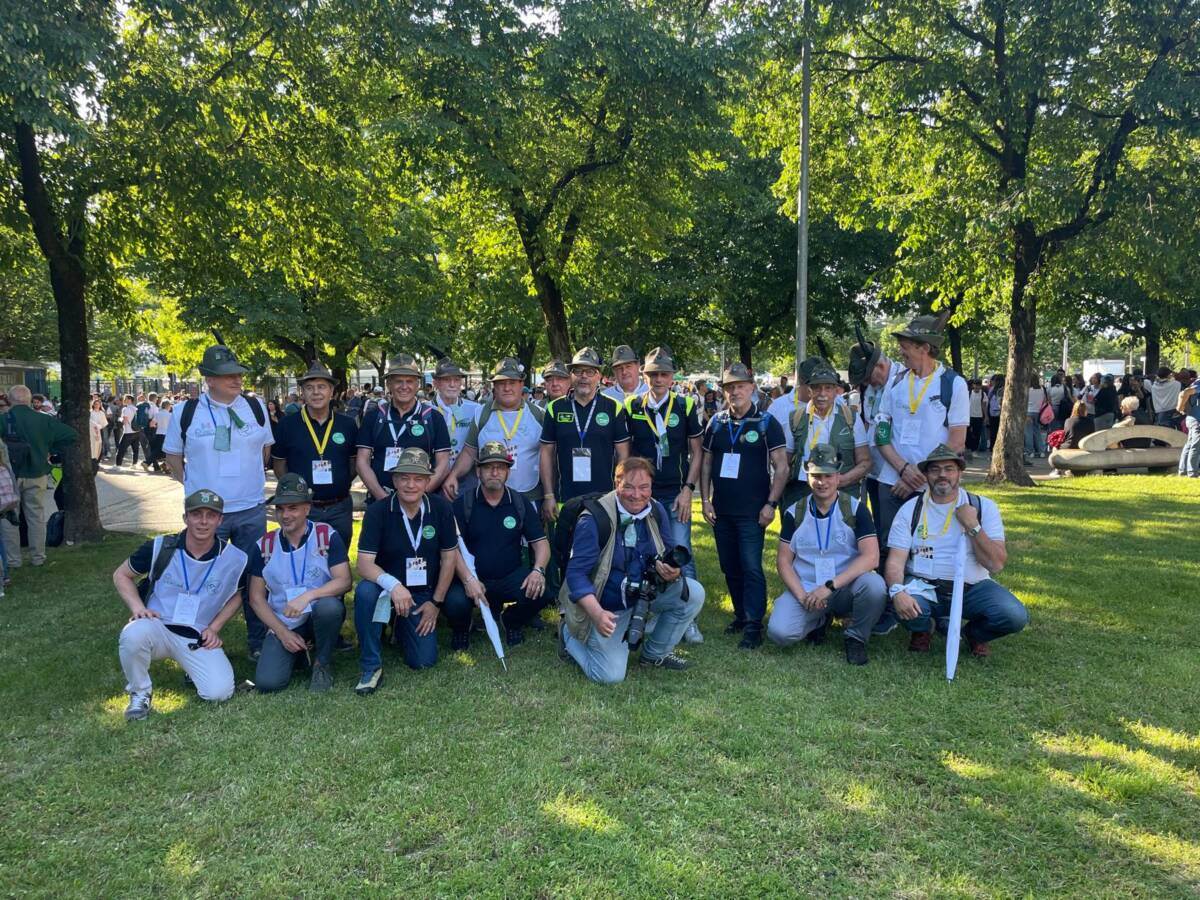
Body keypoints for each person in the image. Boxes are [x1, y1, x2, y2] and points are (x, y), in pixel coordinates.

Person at [162, 344, 275, 658]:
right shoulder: (185, 412)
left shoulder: (255, 407)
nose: (236, 379)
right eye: (228, 375)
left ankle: (258, 642)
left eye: (238, 373)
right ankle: (193, 642)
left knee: (255, 576)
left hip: (251, 509)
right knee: (200, 579)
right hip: (207, 516)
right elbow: (173, 456)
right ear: (208, 379)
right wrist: (192, 487)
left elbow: (265, 450)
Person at [559, 457, 705, 683]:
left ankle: (654, 655)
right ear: (616, 484)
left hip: (642, 596)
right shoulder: (594, 519)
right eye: (628, 487)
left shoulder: (656, 510)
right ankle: (568, 636)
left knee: (693, 593)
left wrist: (672, 572)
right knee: (609, 676)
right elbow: (575, 574)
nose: (637, 495)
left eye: (644, 487)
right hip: (605, 607)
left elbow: (667, 550)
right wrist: (597, 614)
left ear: (651, 487)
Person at [112, 489, 249, 719]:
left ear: (220, 520)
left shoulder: (236, 559)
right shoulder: (160, 546)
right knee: (132, 635)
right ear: (185, 518)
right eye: (196, 514)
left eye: (210, 515)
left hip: (196, 636)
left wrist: (215, 628)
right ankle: (139, 693)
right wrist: (138, 608)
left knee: (219, 692)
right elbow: (121, 575)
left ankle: (191, 669)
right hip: (157, 625)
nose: (203, 522)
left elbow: (241, 593)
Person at [885, 444, 1028, 659]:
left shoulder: (983, 506)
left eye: (949, 468)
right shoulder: (911, 509)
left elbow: (996, 564)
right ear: (925, 475)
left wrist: (973, 526)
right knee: (901, 604)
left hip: (973, 588)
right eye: (934, 469)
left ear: (960, 473)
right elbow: (895, 563)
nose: (942, 475)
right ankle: (924, 628)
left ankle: (974, 633)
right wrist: (897, 591)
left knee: (1014, 615)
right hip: (924, 585)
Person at [352, 448, 465, 694]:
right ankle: (371, 665)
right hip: (387, 590)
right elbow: (364, 564)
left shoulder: (441, 509)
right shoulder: (377, 511)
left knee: (423, 661)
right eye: (404, 477)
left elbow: (449, 558)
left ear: (427, 481)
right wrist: (394, 586)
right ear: (394, 480)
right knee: (365, 592)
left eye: (417, 478)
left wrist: (436, 603)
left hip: (423, 593)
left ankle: (401, 627)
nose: (410, 484)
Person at [766, 444, 886, 665]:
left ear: (838, 476)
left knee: (874, 585)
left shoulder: (855, 509)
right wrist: (803, 597)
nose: (822, 482)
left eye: (828, 476)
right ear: (807, 476)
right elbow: (783, 562)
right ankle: (819, 619)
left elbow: (871, 557)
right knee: (779, 633)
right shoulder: (795, 512)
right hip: (808, 588)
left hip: (843, 587)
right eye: (816, 476)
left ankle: (856, 637)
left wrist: (829, 587)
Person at [700, 362, 788, 649]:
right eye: (729, 387)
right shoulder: (716, 423)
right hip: (721, 510)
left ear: (752, 388)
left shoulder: (766, 423)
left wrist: (771, 504)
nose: (735, 391)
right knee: (729, 565)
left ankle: (753, 624)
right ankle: (740, 615)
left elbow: (782, 467)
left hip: (753, 512)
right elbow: (706, 463)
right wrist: (705, 500)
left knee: (750, 566)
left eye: (740, 386)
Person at [623, 347, 704, 642]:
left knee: (680, 550)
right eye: (653, 374)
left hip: (675, 494)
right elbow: (627, 453)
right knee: (645, 551)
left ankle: (689, 616)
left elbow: (697, 453)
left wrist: (689, 490)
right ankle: (653, 608)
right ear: (644, 375)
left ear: (672, 377)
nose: (658, 379)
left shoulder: (684, 405)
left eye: (664, 374)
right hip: (642, 496)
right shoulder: (632, 406)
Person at [246, 474, 351, 693]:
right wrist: (282, 632)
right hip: (285, 621)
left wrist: (308, 596)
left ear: (307, 508)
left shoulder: (325, 536)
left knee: (329, 607)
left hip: (318, 614)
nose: (285, 515)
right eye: (280, 509)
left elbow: (344, 581)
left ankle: (322, 664)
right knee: (268, 683)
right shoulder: (264, 546)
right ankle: (300, 655)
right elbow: (256, 598)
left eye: (293, 508)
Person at [874, 314, 969, 553]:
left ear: (925, 348)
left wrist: (920, 476)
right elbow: (881, 433)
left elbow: (956, 442)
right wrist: (904, 470)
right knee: (889, 547)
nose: (901, 353)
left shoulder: (953, 383)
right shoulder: (895, 383)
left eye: (906, 347)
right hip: (891, 483)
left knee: (927, 549)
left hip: (932, 485)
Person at [452, 440, 549, 647]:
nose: (494, 472)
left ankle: (511, 620)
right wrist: (468, 579)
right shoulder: (463, 504)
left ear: (508, 472)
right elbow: (451, 550)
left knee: (542, 593)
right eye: (488, 467)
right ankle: (462, 626)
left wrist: (538, 570)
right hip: (473, 577)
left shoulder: (520, 502)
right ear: (478, 471)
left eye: (500, 467)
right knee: (455, 602)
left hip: (509, 576)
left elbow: (540, 543)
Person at [271, 361, 359, 547]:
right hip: (304, 509)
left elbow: (353, 464)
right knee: (303, 562)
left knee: (339, 562)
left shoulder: (347, 425)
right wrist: (296, 493)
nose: (316, 392)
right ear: (302, 392)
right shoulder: (287, 425)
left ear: (332, 392)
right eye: (309, 388)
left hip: (339, 507)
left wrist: (338, 483)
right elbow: (280, 466)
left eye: (322, 387)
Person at [540, 347, 631, 520]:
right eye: (578, 371)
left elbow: (623, 455)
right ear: (571, 375)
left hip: (605, 497)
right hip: (564, 497)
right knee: (565, 546)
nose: (584, 376)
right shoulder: (555, 408)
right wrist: (549, 495)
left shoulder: (614, 407)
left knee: (602, 546)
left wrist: (621, 491)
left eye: (590, 371)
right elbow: (546, 453)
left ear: (599, 376)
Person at [445, 358, 545, 508]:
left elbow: (550, 456)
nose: (507, 388)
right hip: (489, 498)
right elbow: (469, 453)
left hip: (529, 497)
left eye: (512, 382)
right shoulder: (481, 413)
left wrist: (549, 495)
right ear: (494, 387)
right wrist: (453, 475)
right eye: (501, 383)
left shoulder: (539, 415)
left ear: (521, 385)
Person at [356, 353, 452, 505]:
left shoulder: (433, 417)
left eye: (409, 381)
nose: (404, 387)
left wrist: (418, 496)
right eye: (398, 381)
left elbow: (443, 463)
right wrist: (383, 498)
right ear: (388, 384)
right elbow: (362, 462)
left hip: (422, 502)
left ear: (417, 384)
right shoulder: (373, 417)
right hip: (381, 502)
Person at [1, 384, 76, 569]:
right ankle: (38, 557)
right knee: (36, 515)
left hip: (9, 476)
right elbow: (71, 435)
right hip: (37, 472)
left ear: (9, 400)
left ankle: (13, 560)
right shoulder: (43, 420)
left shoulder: (3, 420)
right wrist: (50, 449)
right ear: (29, 400)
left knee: (9, 516)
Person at [779, 363, 869, 509]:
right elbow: (784, 463)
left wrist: (841, 480)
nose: (822, 393)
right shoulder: (795, 418)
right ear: (809, 390)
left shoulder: (850, 418)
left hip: (842, 492)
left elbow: (865, 462)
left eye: (828, 388)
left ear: (836, 391)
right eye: (817, 388)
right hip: (802, 492)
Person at [428, 358, 482, 498]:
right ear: (436, 383)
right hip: (431, 480)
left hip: (466, 481)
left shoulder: (475, 409)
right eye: (447, 380)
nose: (452, 385)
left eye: (456, 380)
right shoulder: (425, 410)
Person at [1177, 377, 1200, 477]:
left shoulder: (1196, 382)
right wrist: (1180, 407)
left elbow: (1184, 393)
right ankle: (1192, 473)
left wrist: (1180, 407)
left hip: (1192, 418)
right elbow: (1185, 392)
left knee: (1190, 445)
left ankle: (1183, 471)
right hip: (1197, 419)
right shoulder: (1199, 383)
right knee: (1195, 446)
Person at [1025, 374, 1050, 460]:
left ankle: (1030, 451)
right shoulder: (1042, 389)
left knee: (1028, 433)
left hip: (1028, 412)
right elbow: (1045, 400)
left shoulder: (1028, 390)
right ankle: (1041, 451)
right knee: (1037, 432)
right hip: (1038, 412)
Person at [115, 394, 143, 467]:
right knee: (135, 449)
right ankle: (134, 464)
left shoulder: (125, 409)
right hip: (137, 431)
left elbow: (124, 421)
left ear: (130, 400)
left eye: (126, 399)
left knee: (121, 449)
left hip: (128, 432)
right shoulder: (136, 408)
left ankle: (118, 465)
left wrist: (119, 419)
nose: (124, 400)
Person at [89, 398, 108, 472]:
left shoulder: (102, 413)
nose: (97, 405)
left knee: (100, 445)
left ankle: (97, 462)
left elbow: (104, 423)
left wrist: (99, 426)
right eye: (95, 404)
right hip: (91, 432)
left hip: (100, 431)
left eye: (98, 404)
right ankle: (92, 461)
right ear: (93, 405)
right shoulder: (90, 412)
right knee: (93, 446)